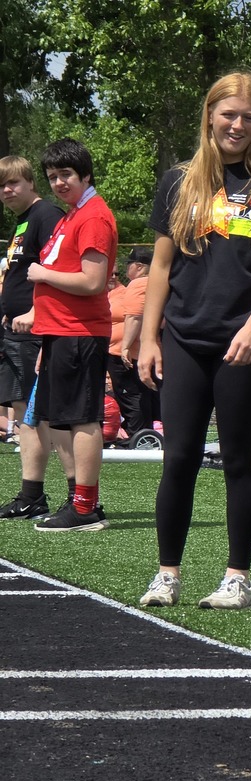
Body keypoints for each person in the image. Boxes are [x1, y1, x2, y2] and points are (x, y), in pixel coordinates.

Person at [137, 72, 251, 611]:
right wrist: (149, 337)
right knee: (177, 457)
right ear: (209, 116)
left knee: (237, 462)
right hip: (183, 337)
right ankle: (167, 575)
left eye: (249, 118)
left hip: (244, 342)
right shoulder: (179, 181)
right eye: (229, 114)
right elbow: (160, 266)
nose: (238, 125)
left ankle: (237, 579)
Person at [27, 138, 119, 533]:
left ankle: (84, 509)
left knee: (82, 419)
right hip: (60, 333)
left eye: (66, 174)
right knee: (63, 420)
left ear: (85, 175)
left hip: (79, 333)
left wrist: (42, 273)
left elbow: (94, 281)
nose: (59, 183)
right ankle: (78, 502)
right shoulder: (73, 214)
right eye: (52, 177)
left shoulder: (93, 216)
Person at [0, 154, 75, 521]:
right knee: (22, 416)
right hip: (13, 332)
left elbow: (57, 267)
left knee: (44, 415)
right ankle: (31, 495)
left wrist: (34, 312)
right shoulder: (21, 222)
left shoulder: (46, 216)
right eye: (1, 186)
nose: (7, 190)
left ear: (31, 182)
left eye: (13, 182)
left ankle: (80, 497)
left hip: (35, 333)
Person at [109, 246, 154, 437]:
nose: (126, 270)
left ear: (138, 266)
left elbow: (134, 316)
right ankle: (139, 431)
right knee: (138, 394)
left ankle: (138, 434)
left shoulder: (138, 284)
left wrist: (125, 347)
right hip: (141, 350)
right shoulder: (154, 283)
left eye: (128, 265)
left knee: (130, 395)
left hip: (128, 352)